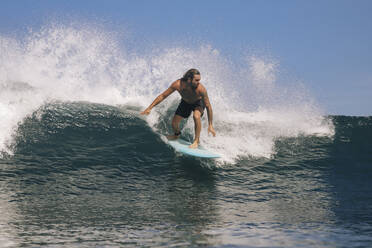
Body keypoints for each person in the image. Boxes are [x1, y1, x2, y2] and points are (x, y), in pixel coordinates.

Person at [141, 68, 216, 148]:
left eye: (199, 80)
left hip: (198, 103)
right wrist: (149, 108)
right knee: (174, 123)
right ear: (189, 79)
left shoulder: (201, 89)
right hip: (185, 102)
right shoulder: (177, 84)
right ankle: (176, 135)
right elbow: (163, 96)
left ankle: (196, 141)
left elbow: (208, 106)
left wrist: (210, 125)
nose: (199, 82)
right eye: (196, 80)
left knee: (196, 116)